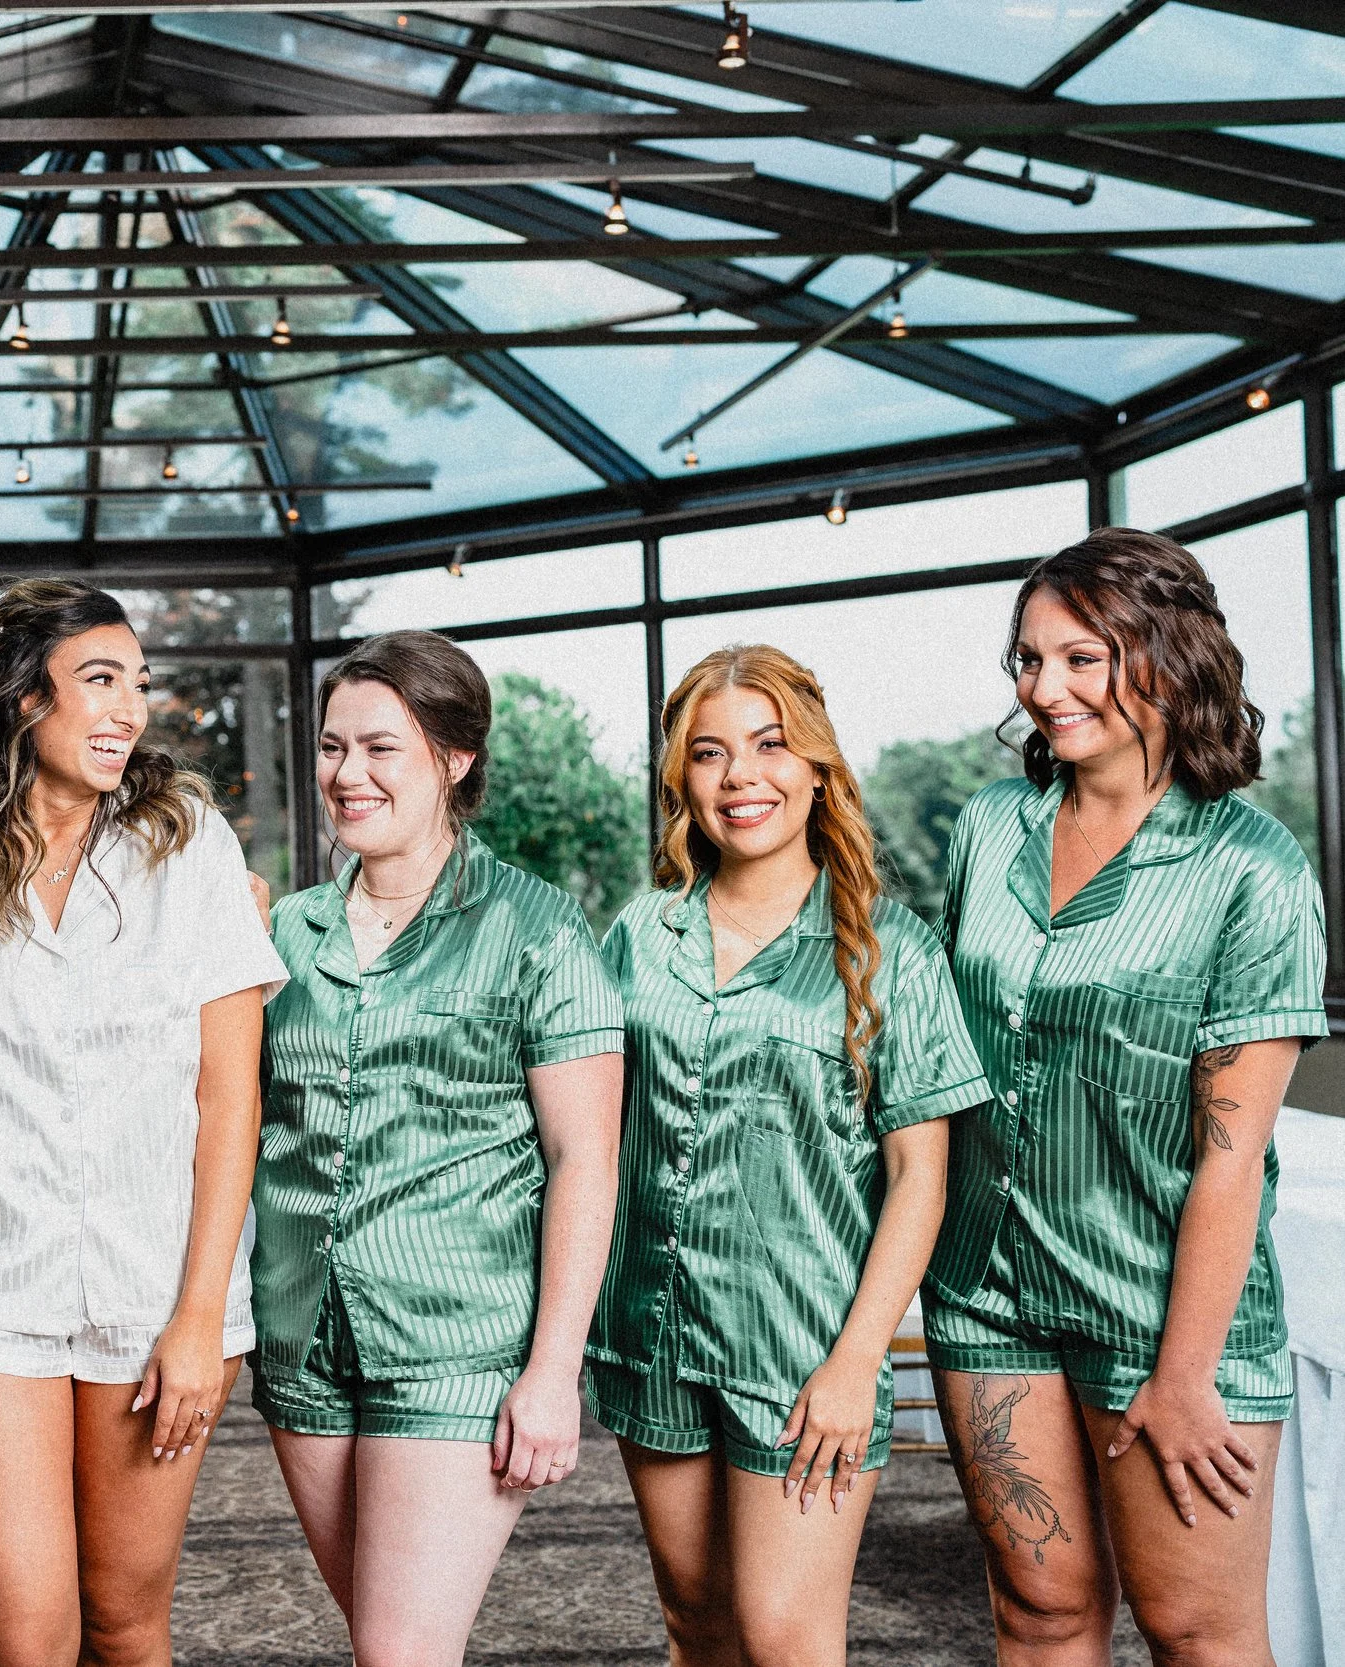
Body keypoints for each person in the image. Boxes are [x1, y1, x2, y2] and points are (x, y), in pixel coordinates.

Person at [0, 578, 288, 1667]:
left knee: (127, 1624)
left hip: (157, 1295)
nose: (129, 707)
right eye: (99, 679)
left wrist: (195, 1318)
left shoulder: (193, 849)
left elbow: (230, 1095)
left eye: (138, 683)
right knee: (23, 1631)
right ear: (20, 697)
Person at [925, 529, 1325, 1665]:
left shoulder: (1252, 868)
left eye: (1081, 658)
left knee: (1194, 1629)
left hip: (1164, 1309)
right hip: (988, 1289)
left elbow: (1232, 1153)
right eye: (1026, 660)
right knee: (1038, 1613)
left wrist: (1185, 1374)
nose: (1042, 689)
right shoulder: (986, 827)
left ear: (1167, 655)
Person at [591, 644, 988, 1667]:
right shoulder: (639, 934)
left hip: (802, 1350)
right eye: (710, 753)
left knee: (786, 1636)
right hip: (651, 1333)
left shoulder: (887, 948)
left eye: (770, 746)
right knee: (698, 1626)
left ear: (817, 766)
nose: (741, 777)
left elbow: (919, 1175)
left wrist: (857, 1362)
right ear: (681, 778)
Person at [252, 631, 624, 1667]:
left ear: (454, 759)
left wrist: (553, 1370)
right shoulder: (284, 932)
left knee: (401, 1651)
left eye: (380, 747)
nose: (346, 775)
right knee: (391, 1645)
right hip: (303, 1337)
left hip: (456, 1344)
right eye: (331, 748)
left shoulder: (540, 929)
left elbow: (585, 1157)